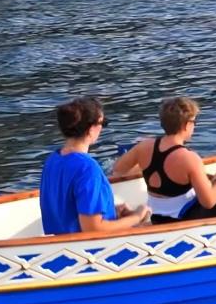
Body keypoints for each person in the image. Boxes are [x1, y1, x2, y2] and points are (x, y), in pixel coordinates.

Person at [111, 96, 216, 224]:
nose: (194, 127)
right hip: (184, 218)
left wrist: (144, 167)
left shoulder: (144, 146)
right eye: (194, 122)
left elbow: (118, 169)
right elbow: (208, 202)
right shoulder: (190, 158)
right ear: (186, 125)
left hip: (157, 217)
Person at [39, 96, 150, 236]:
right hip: (86, 249)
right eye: (103, 123)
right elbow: (93, 229)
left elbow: (68, 209)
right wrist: (136, 217)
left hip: (59, 243)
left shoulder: (52, 160)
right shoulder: (87, 169)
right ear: (91, 129)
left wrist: (111, 211)